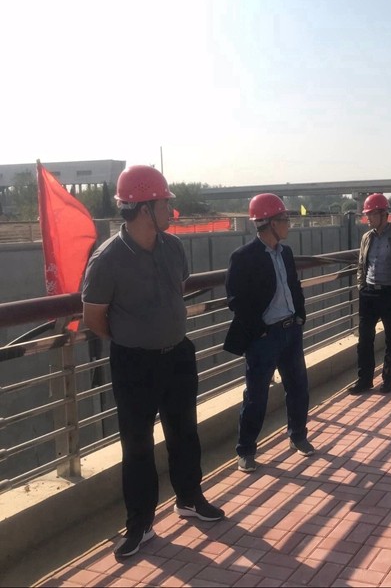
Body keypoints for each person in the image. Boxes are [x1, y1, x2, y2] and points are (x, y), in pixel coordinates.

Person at [82, 165, 224, 559]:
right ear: (144, 208)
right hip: (134, 364)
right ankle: (140, 524)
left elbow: (177, 291)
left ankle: (189, 498)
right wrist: (133, 339)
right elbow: (94, 318)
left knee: (185, 432)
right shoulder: (108, 259)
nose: (170, 210)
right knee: (138, 445)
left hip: (177, 355)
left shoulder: (172, 247)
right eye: (164, 203)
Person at [223, 193, 314, 474]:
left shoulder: (285, 253)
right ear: (270, 223)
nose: (288, 224)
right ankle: (246, 450)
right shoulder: (243, 257)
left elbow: (293, 286)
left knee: (298, 387)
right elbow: (236, 300)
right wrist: (260, 330)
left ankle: (298, 436)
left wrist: (299, 316)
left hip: (290, 330)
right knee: (256, 396)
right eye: (284, 219)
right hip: (264, 338)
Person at [350, 193, 391, 395]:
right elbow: (361, 265)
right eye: (367, 214)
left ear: (383, 214)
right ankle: (364, 379)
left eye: (371, 214)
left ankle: (388, 378)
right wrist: (362, 286)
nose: (368, 218)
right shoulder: (367, 238)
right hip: (369, 294)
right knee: (364, 339)